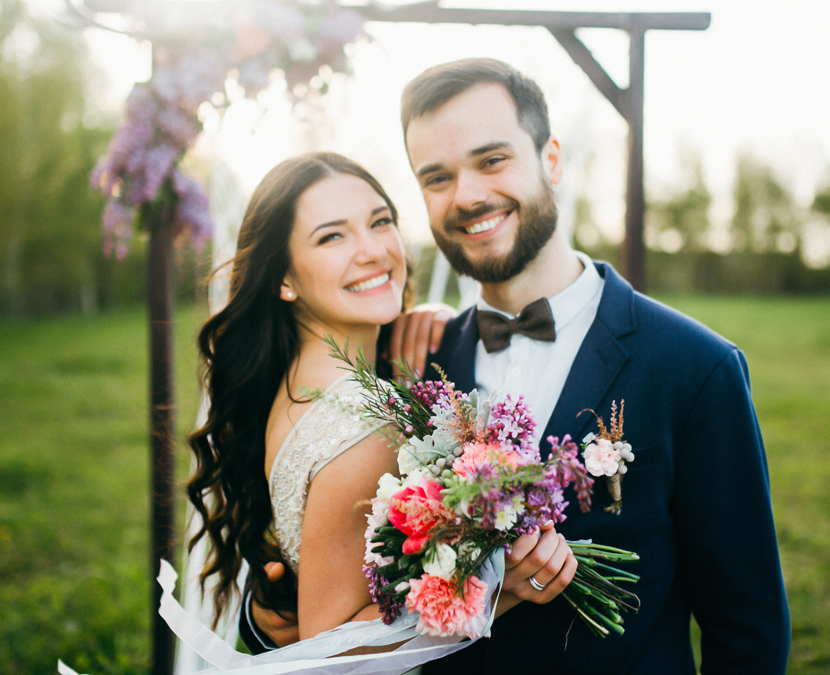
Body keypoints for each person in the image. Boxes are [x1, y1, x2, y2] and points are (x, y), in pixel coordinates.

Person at [249, 59, 792, 673]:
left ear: (552, 159)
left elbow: (747, 632)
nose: (468, 196)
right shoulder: (413, 364)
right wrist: (268, 604)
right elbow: (337, 561)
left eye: (492, 160)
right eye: (437, 177)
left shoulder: (694, 369)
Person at [186, 152, 579, 658]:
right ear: (284, 277)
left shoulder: (303, 382)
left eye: (380, 222)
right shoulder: (362, 426)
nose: (372, 250)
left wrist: (430, 318)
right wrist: (496, 587)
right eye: (332, 236)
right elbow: (326, 656)